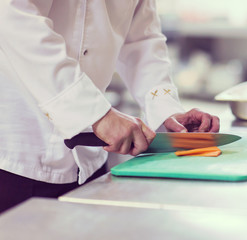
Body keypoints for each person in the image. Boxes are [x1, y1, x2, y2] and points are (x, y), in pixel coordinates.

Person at [0, 0, 220, 213]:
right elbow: (13, 18)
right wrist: (95, 113)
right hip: (15, 158)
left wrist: (165, 110)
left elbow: (142, 40)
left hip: (91, 165)